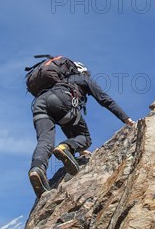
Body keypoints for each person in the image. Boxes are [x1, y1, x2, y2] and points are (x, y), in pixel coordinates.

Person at [28, 61, 134, 197]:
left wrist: (78, 148)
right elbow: (104, 99)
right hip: (62, 98)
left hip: (40, 102)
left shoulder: (56, 81)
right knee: (85, 138)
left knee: (45, 140)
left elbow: (68, 125)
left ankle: (36, 169)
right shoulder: (82, 78)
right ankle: (65, 147)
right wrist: (126, 118)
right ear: (81, 71)